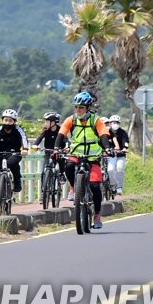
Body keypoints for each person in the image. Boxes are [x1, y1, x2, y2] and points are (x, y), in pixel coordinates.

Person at [56, 91, 110, 229]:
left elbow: (103, 134)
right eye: (76, 107)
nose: (78, 110)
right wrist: (57, 147)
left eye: (81, 107)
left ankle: (97, 215)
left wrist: (108, 148)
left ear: (87, 108)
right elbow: (61, 133)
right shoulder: (71, 120)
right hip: (76, 153)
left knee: (95, 186)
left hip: (93, 156)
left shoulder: (95, 120)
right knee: (68, 166)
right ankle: (74, 188)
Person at [0, 109, 28, 213]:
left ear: (14, 122)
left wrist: (25, 149)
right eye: (5, 120)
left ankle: (17, 181)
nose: (7, 123)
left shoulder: (18, 130)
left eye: (10, 121)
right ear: (2, 120)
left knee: (12, 163)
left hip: (14, 154)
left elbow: (24, 139)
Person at [105, 114, 129, 194]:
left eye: (116, 122)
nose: (114, 124)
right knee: (110, 169)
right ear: (110, 123)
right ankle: (112, 184)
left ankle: (119, 187)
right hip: (110, 154)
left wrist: (124, 148)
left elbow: (126, 142)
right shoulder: (107, 132)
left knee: (119, 168)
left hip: (120, 154)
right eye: (113, 122)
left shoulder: (123, 132)